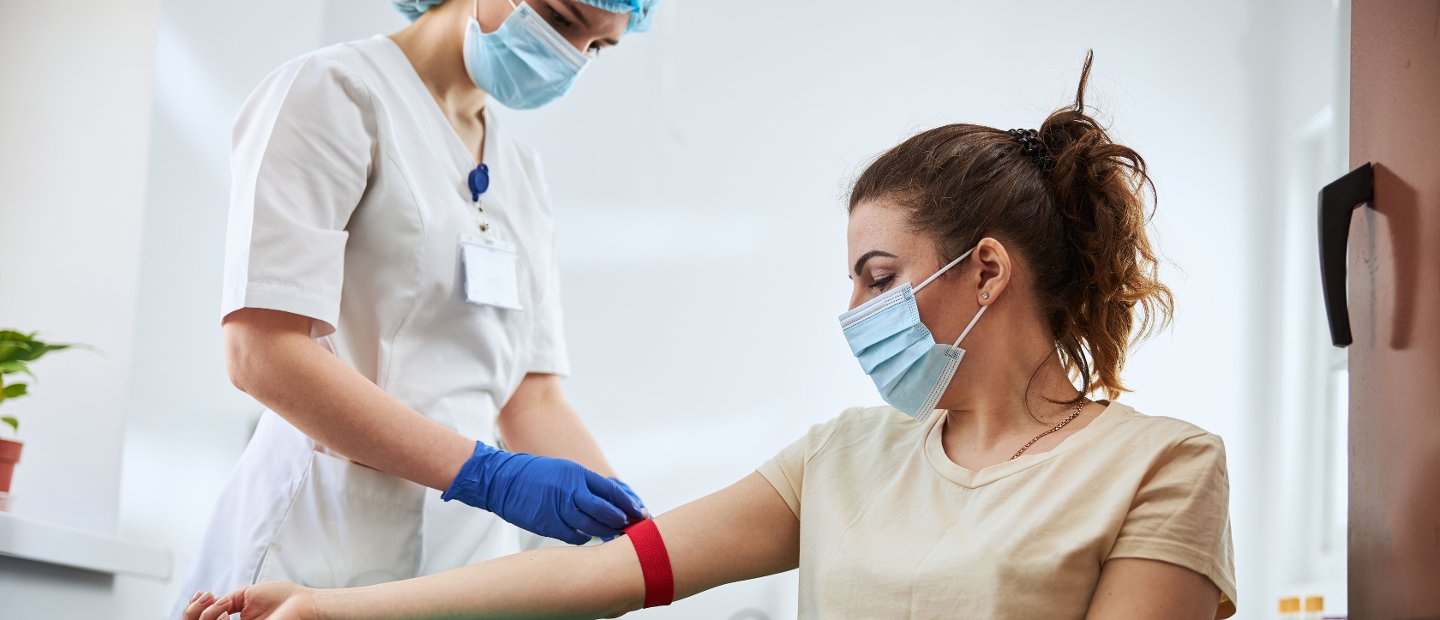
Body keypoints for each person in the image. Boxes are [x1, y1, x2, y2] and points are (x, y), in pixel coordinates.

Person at [183, 52, 1237, 620]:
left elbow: (533, 394)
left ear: (989, 270)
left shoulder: (1162, 466)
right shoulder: (843, 455)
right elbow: (598, 574)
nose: (857, 314)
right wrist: (327, 608)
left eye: (879, 277)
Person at [173, 0, 660, 615]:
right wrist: (487, 476)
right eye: (561, 21)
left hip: (457, 569)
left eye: (599, 47)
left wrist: (641, 542)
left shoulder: (523, 172)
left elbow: (531, 396)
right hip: (314, 540)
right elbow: (260, 352)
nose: (570, 57)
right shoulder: (338, 91)